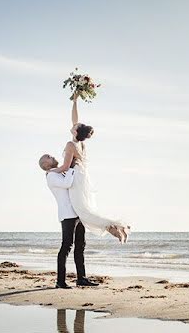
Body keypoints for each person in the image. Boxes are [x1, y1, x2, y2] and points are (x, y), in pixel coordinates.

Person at [49, 92, 129, 243]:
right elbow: (75, 119)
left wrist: (51, 170)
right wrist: (74, 101)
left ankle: (117, 227)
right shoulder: (81, 143)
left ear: (76, 131)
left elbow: (65, 166)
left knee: (84, 213)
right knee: (87, 210)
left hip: (76, 178)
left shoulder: (70, 145)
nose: (73, 124)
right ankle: (117, 228)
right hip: (83, 176)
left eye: (75, 126)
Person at [39, 155, 99, 288]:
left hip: (77, 212)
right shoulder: (51, 176)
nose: (52, 156)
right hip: (67, 214)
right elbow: (67, 184)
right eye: (48, 157)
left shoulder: (59, 173)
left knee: (80, 245)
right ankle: (60, 281)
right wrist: (71, 168)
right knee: (66, 246)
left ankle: (81, 278)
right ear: (46, 164)